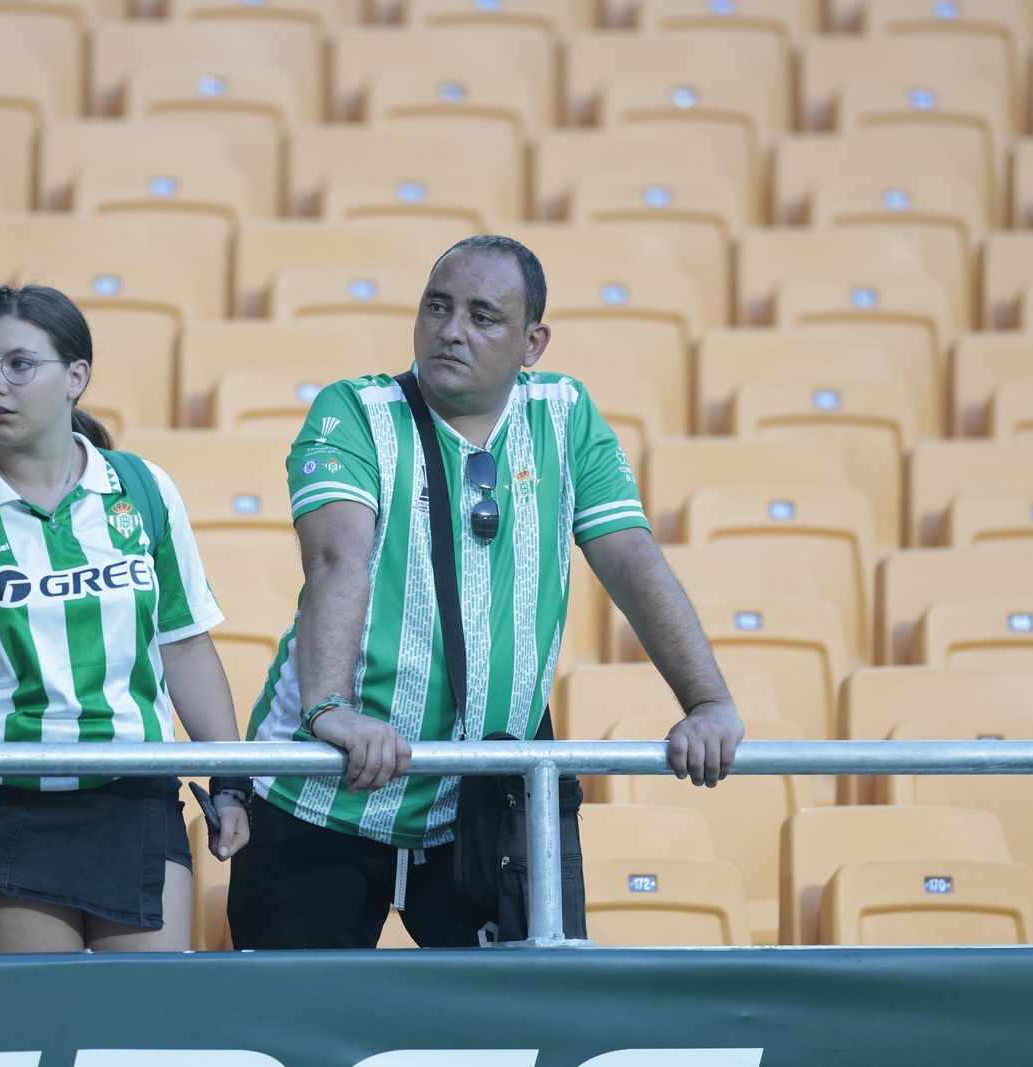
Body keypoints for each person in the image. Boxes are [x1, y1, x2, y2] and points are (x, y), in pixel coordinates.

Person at [226, 236, 744, 949]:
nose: (450, 330)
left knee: (512, 1015)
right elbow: (336, 559)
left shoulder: (565, 414)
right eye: (437, 307)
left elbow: (631, 558)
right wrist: (330, 709)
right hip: (318, 796)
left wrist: (708, 701)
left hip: (481, 809)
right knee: (293, 1018)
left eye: (482, 316)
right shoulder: (355, 411)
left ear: (533, 343)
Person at [0, 284, 250, 953]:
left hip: (133, 797)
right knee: (37, 1015)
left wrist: (230, 779)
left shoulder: (145, 489)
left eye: (19, 365)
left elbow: (183, 646)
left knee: (148, 1019)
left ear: (76, 377)